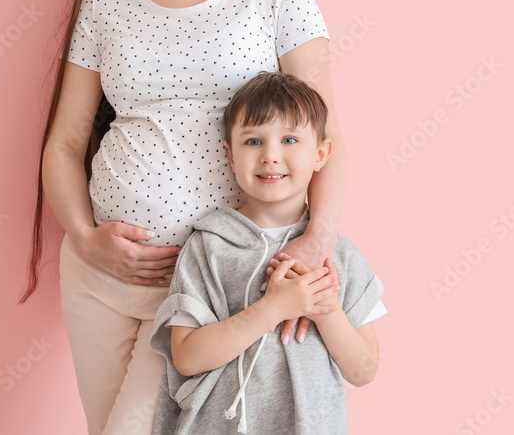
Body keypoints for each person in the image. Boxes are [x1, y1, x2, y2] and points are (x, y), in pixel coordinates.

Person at [19, 0, 351, 435]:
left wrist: (319, 236)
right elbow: (65, 143)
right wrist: (86, 239)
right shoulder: (105, 6)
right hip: (96, 278)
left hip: (205, 279)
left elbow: (325, 134)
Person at [150, 71, 385, 434]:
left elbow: (363, 370)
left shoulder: (340, 256)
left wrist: (325, 310)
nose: (270, 156)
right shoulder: (207, 247)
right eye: (253, 141)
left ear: (321, 154)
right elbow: (187, 358)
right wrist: (273, 308)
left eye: (289, 139)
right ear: (230, 155)